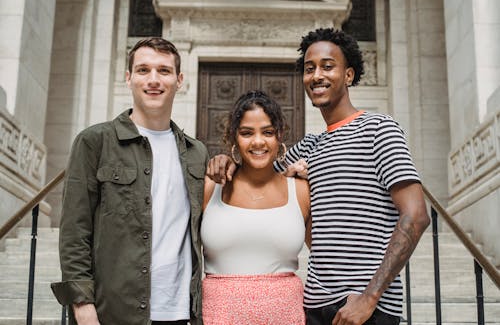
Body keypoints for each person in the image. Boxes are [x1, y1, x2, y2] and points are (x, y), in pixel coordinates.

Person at [207, 28, 430, 325]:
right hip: (315, 306)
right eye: (309, 68)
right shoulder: (310, 146)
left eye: (327, 66)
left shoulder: (380, 129)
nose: (316, 75)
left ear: (349, 75)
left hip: (366, 308)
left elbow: (416, 216)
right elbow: (255, 168)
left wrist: (369, 298)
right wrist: (225, 162)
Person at [51, 37, 208, 325]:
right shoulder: (95, 141)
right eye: (143, 70)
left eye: (163, 71)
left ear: (179, 80)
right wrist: (82, 304)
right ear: (128, 78)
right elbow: (75, 230)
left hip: (180, 312)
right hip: (113, 310)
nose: (153, 80)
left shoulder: (197, 152)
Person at [201, 90, 311, 324]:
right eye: (247, 133)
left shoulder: (301, 191)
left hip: (285, 317)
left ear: (280, 136)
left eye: (268, 132)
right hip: (218, 317)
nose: (258, 141)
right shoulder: (212, 186)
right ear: (233, 137)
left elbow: (327, 258)